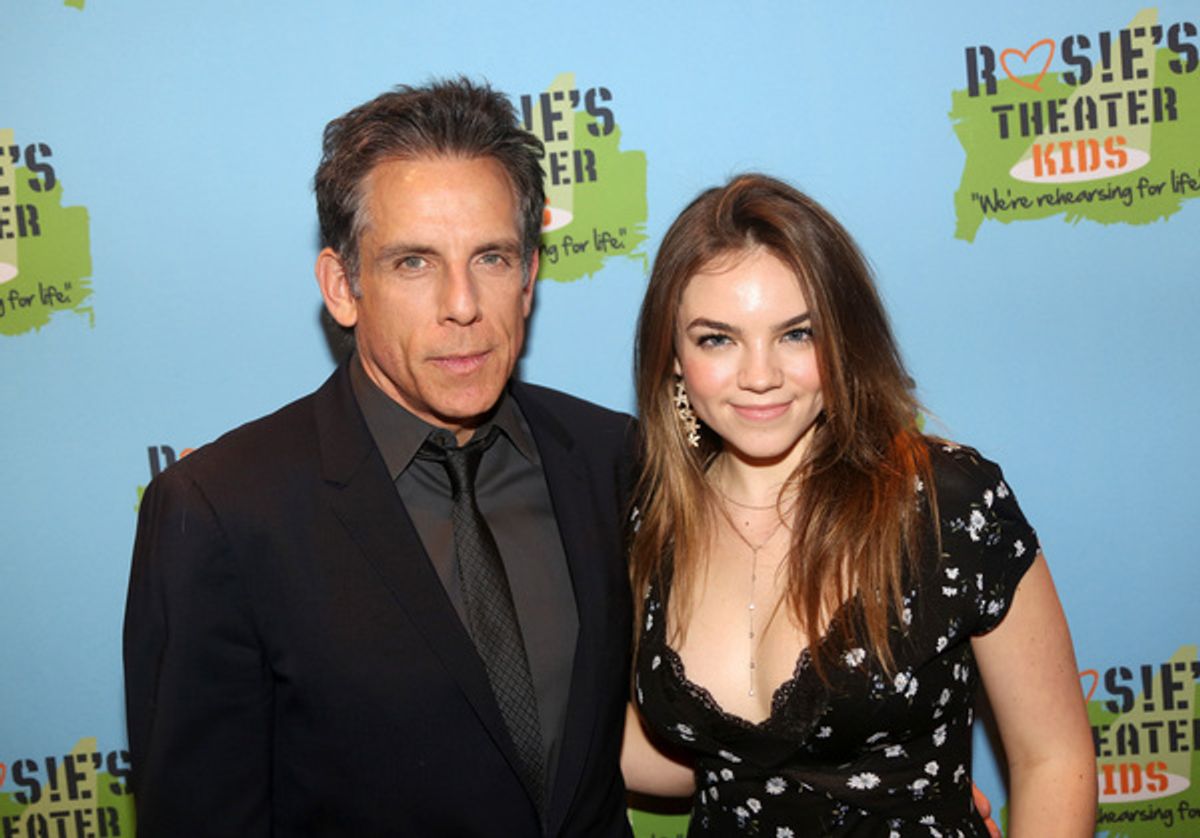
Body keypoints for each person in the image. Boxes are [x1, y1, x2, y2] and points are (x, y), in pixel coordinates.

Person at [123, 79, 636, 837]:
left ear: (528, 279)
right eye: (414, 263)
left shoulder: (609, 457)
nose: (462, 304)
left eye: (491, 257)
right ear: (343, 286)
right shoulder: (223, 512)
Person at [620, 174, 1096, 835]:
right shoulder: (652, 521)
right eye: (717, 339)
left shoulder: (944, 506)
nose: (761, 375)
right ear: (673, 357)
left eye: (796, 334)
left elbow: (1054, 759)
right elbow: (692, 755)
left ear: (842, 339)